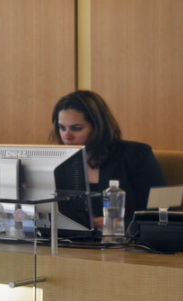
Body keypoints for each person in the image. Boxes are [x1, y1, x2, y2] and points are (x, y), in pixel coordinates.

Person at [50, 89, 165, 222]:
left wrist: (115, 223)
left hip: (126, 239)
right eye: (62, 128)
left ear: (98, 127)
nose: (66, 136)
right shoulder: (58, 163)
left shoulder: (137, 155)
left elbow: (160, 214)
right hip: (71, 240)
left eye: (76, 128)